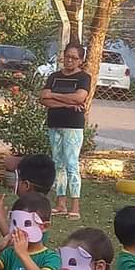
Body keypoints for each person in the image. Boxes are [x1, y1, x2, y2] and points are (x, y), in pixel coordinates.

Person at [39, 43, 91, 220]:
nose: (69, 60)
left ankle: (75, 205)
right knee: (58, 164)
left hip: (73, 126)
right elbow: (43, 98)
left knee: (71, 164)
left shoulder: (84, 78)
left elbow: (80, 97)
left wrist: (54, 95)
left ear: (81, 60)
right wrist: (67, 104)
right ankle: (60, 203)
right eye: (67, 56)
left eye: (74, 58)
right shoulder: (54, 76)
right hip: (55, 123)